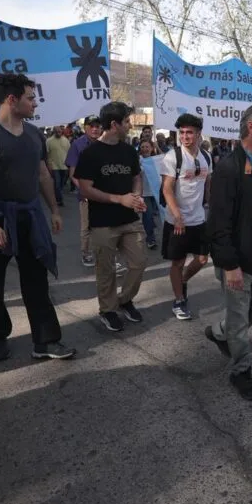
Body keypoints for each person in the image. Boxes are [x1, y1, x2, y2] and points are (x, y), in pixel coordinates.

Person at [0, 73, 75, 361]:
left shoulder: (35, 133)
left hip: (30, 218)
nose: (35, 103)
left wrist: (55, 210)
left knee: (37, 280)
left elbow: (43, 174)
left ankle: (46, 342)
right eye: (30, 97)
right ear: (12, 99)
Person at [205, 104, 252, 401]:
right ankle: (241, 370)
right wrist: (230, 265)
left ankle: (220, 331)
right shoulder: (229, 168)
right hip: (238, 261)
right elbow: (218, 224)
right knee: (239, 318)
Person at [73, 102, 148, 332]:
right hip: (102, 223)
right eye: (126, 121)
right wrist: (119, 199)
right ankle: (107, 310)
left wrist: (135, 196)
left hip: (130, 220)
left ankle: (124, 300)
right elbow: (85, 189)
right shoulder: (90, 153)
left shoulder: (128, 150)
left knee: (139, 262)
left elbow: (136, 176)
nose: (129, 125)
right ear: (114, 124)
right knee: (105, 271)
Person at [161, 113, 213, 320]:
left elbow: (207, 184)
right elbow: (167, 189)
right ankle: (179, 300)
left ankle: (181, 281)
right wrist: (178, 217)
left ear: (199, 134)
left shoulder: (206, 157)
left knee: (201, 259)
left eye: (189, 132)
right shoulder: (173, 156)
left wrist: (212, 208)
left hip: (198, 218)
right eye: (181, 132)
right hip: (177, 220)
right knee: (178, 261)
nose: (184, 136)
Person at [67, 115, 103, 267]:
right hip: (86, 195)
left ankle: (105, 254)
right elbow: (73, 174)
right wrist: (86, 191)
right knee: (86, 226)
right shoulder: (78, 145)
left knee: (105, 226)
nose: (94, 129)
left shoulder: (105, 144)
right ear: (85, 127)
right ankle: (86, 253)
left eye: (97, 126)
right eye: (91, 126)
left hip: (105, 194)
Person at [138, 140, 160, 249]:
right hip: (145, 193)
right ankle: (150, 239)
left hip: (157, 192)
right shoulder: (139, 160)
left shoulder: (156, 160)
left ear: (152, 148)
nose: (145, 149)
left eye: (147, 147)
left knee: (159, 216)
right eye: (142, 147)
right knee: (148, 216)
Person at [46, 125, 71, 208]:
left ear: (62, 131)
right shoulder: (49, 141)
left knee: (61, 184)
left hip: (64, 166)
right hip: (54, 166)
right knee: (57, 184)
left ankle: (57, 196)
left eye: (59, 131)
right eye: (56, 132)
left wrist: (69, 164)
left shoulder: (66, 140)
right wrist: (49, 165)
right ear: (54, 132)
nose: (58, 133)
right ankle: (59, 200)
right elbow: (46, 154)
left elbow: (69, 153)